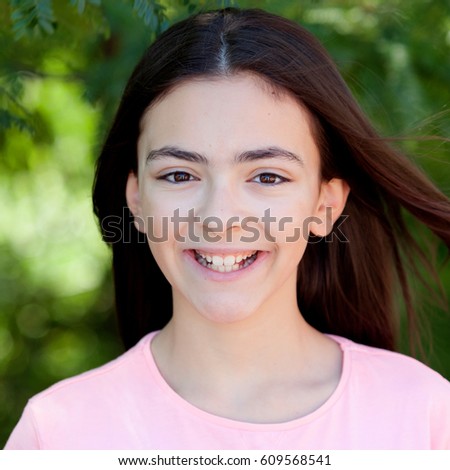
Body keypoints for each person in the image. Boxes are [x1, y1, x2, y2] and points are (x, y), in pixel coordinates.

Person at [5, 7, 450, 450]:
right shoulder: (59, 434)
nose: (219, 218)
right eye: (179, 175)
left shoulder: (422, 415)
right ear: (136, 199)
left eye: (267, 177)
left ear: (325, 205)